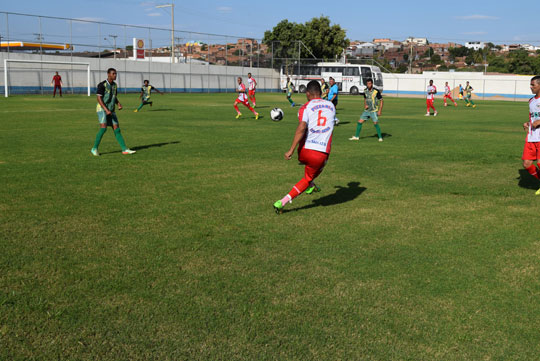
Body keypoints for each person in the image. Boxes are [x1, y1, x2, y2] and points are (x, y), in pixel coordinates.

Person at [273, 80, 336, 214]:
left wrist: (291, 149)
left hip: (304, 151)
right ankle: (282, 202)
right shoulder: (331, 106)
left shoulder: (305, 107)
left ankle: (312, 185)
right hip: (321, 153)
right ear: (320, 92)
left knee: (309, 166)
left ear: (308, 93)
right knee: (308, 178)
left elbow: (302, 127)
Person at [91, 68, 135, 156]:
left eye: (116, 74)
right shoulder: (102, 85)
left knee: (116, 128)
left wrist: (118, 103)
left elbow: (114, 96)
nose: (115, 75)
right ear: (108, 74)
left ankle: (124, 149)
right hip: (102, 109)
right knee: (103, 127)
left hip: (111, 109)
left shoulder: (115, 85)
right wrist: (106, 110)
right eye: (113, 74)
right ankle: (94, 148)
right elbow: (99, 98)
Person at [521, 75, 540, 195]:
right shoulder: (531, 101)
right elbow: (534, 117)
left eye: (533, 85)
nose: (531, 87)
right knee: (527, 164)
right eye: (531, 84)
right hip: (532, 136)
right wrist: (528, 123)